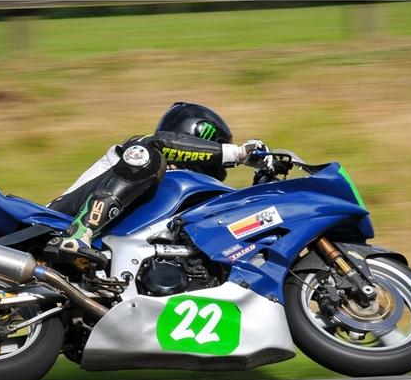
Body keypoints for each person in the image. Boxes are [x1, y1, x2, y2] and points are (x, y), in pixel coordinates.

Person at [46, 102, 267, 266]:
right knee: (147, 156)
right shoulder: (142, 147)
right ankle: (78, 233)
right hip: (57, 220)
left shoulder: (173, 191)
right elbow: (160, 142)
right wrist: (237, 153)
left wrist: (266, 177)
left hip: (99, 253)